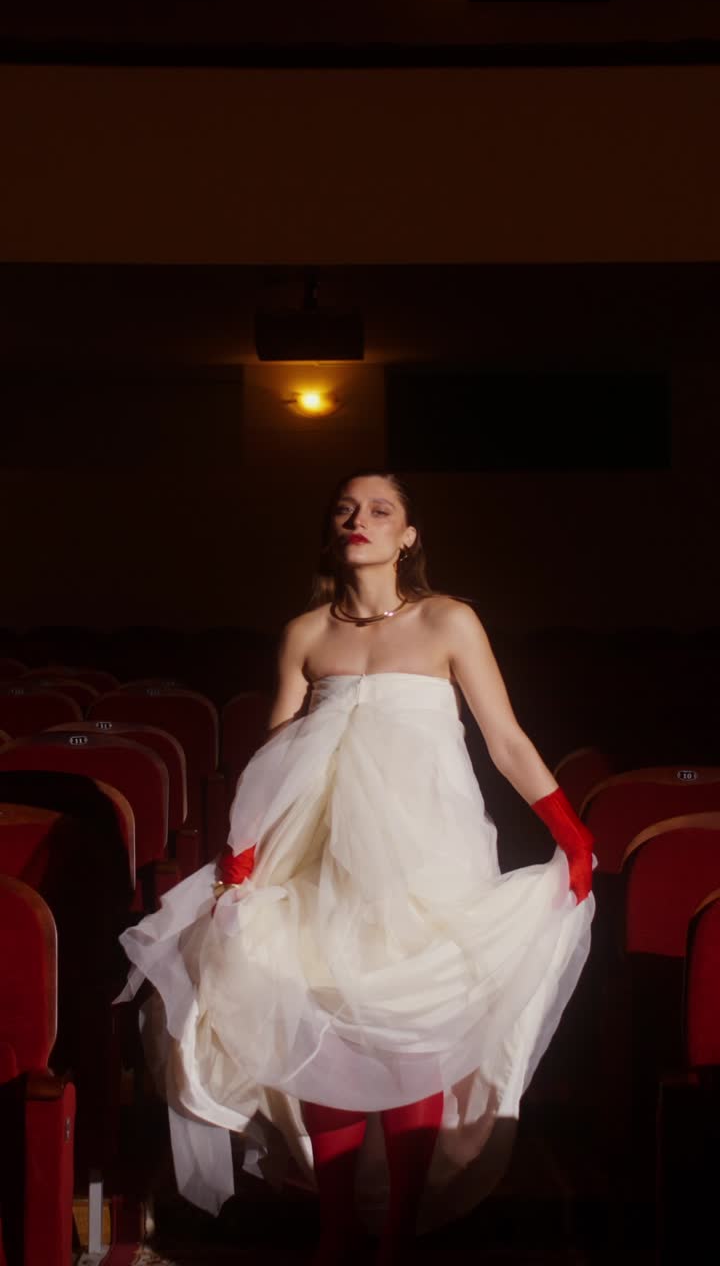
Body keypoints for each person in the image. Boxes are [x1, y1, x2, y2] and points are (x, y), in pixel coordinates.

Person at [118, 469, 595, 1266]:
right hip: (324, 855)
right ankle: (336, 1231)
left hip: (425, 857)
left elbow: (505, 741)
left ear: (408, 536)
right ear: (330, 532)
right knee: (327, 1026)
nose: (359, 519)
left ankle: (398, 1238)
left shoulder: (449, 621)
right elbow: (271, 757)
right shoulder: (306, 634)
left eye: (380, 509)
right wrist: (241, 851)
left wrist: (570, 831)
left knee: (410, 1031)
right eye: (345, 508)